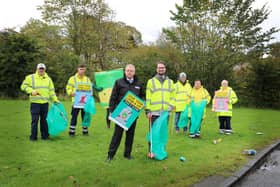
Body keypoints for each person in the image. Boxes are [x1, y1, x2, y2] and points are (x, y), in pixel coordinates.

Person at [107, 64, 144, 161]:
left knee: (130, 135)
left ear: (134, 72)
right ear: (125, 71)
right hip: (120, 114)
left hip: (133, 114)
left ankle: (127, 155)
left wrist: (141, 104)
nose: (129, 72)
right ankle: (110, 155)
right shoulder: (119, 82)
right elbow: (113, 98)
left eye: (131, 71)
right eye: (127, 70)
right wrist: (111, 110)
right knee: (117, 135)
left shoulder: (139, 84)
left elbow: (143, 97)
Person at [20, 63, 59, 141]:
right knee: (35, 120)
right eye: (40, 69)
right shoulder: (30, 77)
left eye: (42, 69)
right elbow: (23, 86)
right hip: (35, 103)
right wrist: (31, 91)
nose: (41, 70)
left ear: (45, 70)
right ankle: (33, 137)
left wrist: (55, 99)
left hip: (45, 103)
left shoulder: (48, 79)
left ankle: (45, 136)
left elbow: (51, 91)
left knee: (44, 121)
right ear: (37, 69)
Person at [145, 62, 175, 157]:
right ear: (156, 69)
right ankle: (151, 152)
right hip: (154, 112)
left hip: (165, 113)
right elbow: (148, 96)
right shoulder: (151, 81)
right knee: (153, 133)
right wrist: (148, 110)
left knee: (162, 133)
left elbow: (173, 96)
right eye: (159, 68)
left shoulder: (170, 82)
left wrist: (170, 106)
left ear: (165, 69)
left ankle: (161, 151)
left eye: (162, 68)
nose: (161, 69)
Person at [66, 64, 102, 136]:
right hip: (75, 101)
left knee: (85, 116)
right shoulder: (72, 78)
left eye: (83, 69)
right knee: (74, 116)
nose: (82, 71)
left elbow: (90, 87)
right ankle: (71, 132)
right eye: (80, 69)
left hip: (85, 102)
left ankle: (85, 131)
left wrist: (92, 92)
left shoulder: (87, 79)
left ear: (85, 70)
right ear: (78, 69)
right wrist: (70, 93)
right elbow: (68, 87)